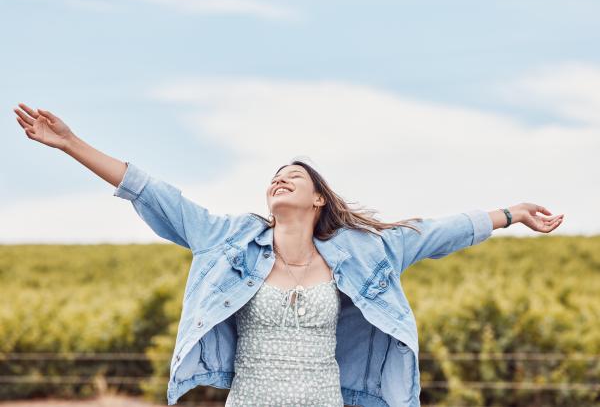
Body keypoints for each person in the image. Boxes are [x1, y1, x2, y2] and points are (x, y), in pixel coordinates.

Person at [14, 103, 565, 407]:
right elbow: (155, 193)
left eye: (294, 176)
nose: (281, 179)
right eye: (276, 176)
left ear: (319, 198)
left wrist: (510, 213)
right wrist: (72, 144)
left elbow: (433, 232)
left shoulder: (364, 251)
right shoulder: (227, 239)